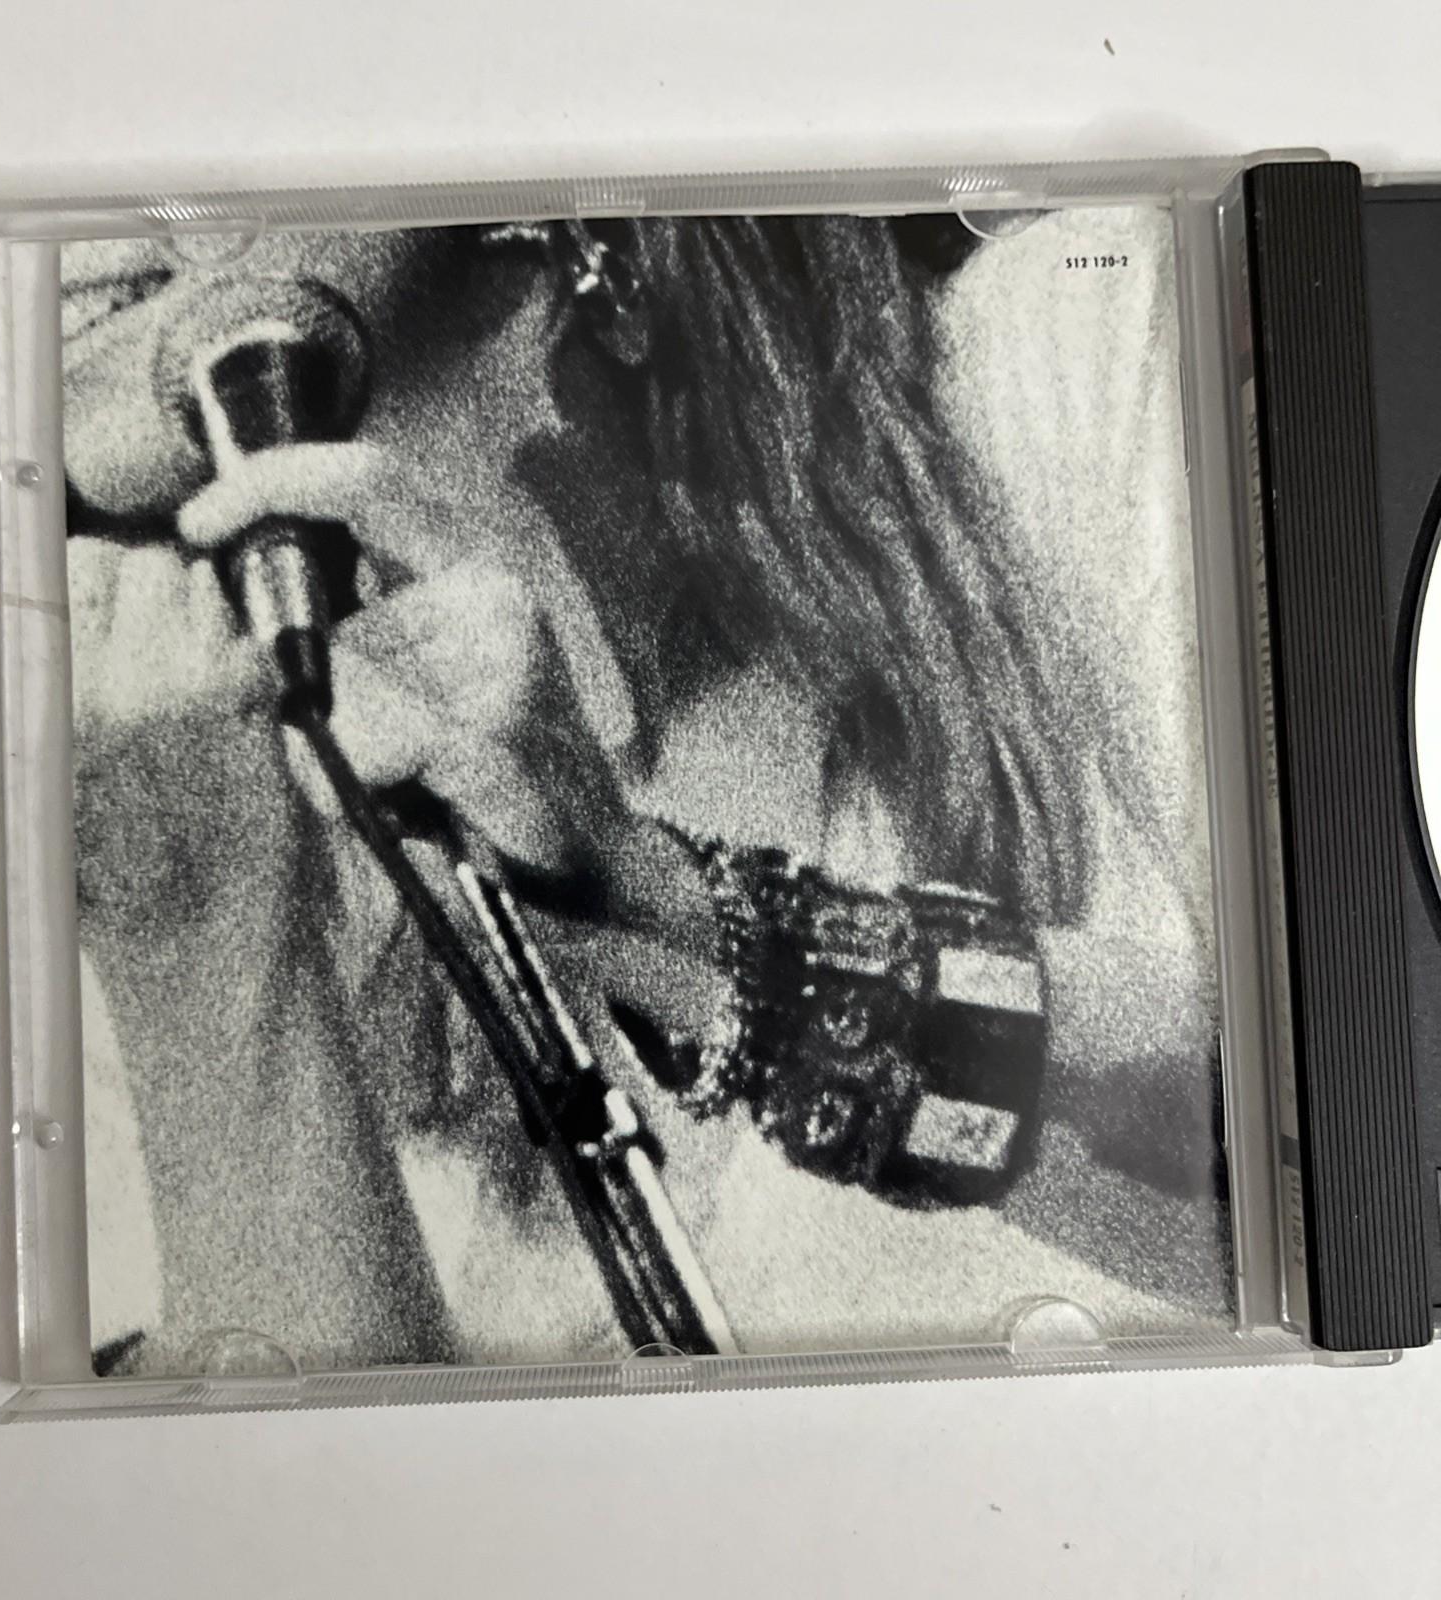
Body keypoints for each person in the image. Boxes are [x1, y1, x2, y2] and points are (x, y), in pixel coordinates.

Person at [64, 211, 1229, 1376]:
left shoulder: (1085, 346)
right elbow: (334, 1491)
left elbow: (1303, 1140)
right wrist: (205, 943)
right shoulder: (91, 868)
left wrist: (677, 912)